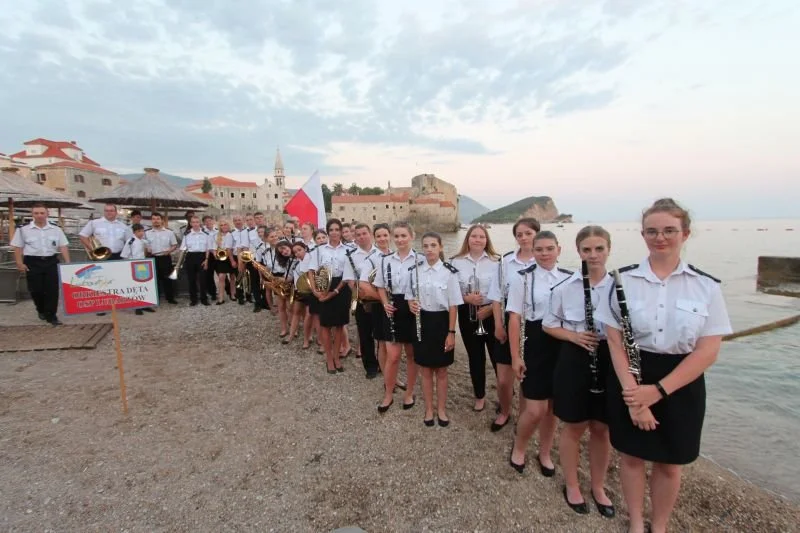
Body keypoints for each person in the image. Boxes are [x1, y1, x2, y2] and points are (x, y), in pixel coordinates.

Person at [595, 199, 731, 533]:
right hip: (631, 376)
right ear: (643, 235)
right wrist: (633, 395)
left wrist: (656, 392)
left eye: (670, 230)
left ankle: (660, 525)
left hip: (681, 382)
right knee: (631, 457)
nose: (661, 237)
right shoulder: (621, 281)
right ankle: (637, 522)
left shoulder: (706, 286)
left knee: (670, 464)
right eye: (653, 231)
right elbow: (614, 342)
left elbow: (708, 350)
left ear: (685, 233)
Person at [543, 226, 615, 516]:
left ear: (609, 249)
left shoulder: (620, 286)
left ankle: (598, 487)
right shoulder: (564, 287)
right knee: (573, 426)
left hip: (610, 360)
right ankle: (572, 484)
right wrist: (574, 337)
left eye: (599, 249)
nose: (593, 255)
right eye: (587, 250)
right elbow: (549, 325)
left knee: (602, 428)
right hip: (575, 358)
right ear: (578, 251)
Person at [508, 230, 572, 475]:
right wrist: (515, 356)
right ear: (532, 251)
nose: (544, 254)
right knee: (535, 409)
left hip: (563, 343)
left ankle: (545, 451)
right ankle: (520, 447)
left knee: (553, 407)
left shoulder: (571, 278)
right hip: (535, 343)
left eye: (549, 248)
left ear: (559, 249)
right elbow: (514, 317)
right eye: (539, 249)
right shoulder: (521, 278)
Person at [486, 218, 540, 433]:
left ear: (537, 233)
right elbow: (496, 296)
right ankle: (505, 411)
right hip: (509, 320)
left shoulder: (545, 259)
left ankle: (524, 417)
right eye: (520, 234)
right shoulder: (505, 262)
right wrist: (498, 324)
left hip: (535, 324)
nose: (524, 237)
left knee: (527, 379)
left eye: (528, 233)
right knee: (503, 380)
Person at [407, 232, 463, 427]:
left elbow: (454, 305)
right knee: (425, 369)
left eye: (433, 245)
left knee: (441, 371)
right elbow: (409, 296)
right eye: (426, 245)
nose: (429, 249)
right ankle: (429, 409)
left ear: (440, 247)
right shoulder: (415, 270)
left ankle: (441, 409)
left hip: (441, 323)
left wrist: (451, 333)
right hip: (421, 322)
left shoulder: (450, 272)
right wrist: (410, 305)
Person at [451, 224, 500, 417]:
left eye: (481, 236)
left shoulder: (498, 262)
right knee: (475, 357)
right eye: (474, 236)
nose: (478, 240)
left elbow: (504, 291)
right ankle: (479, 395)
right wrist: (467, 298)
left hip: (491, 312)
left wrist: (489, 308)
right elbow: (452, 290)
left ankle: (505, 394)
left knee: (497, 356)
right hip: (467, 313)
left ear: (486, 240)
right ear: (468, 239)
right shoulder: (456, 261)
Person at [373, 221, 419, 413]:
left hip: (413, 308)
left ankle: (409, 393)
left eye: (403, 236)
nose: (400, 240)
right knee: (392, 356)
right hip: (392, 307)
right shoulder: (385, 260)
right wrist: (384, 303)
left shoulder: (421, 259)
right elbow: (380, 285)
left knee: (411, 355)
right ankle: (388, 394)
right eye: (397, 236)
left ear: (412, 237)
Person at [11, 203, 70, 326]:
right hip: (33, 262)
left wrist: (67, 262)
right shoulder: (23, 229)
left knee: (52, 290)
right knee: (36, 290)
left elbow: (63, 246)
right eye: (36, 213)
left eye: (42, 213)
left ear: (47, 214)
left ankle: (52, 315)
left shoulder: (56, 229)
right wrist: (19, 263)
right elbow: (17, 247)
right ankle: (41, 309)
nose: (39, 216)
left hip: (51, 261)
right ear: (32, 214)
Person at [308, 219, 352, 374]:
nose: (334, 232)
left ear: (341, 231)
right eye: (331, 230)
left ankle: (337, 356)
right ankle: (329, 359)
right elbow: (311, 271)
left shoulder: (348, 250)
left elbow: (348, 275)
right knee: (325, 325)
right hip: (323, 286)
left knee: (340, 325)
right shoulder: (319, 250)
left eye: (337, 229)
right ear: (328, 232)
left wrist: (335, 292)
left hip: (341, 287)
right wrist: (315, 291)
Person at [343, 223, 379, 378]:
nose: (361, 237)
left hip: (380, 299)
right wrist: (362, 294)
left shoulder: (382, 252)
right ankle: (370, 366)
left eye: (364, 233)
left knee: (383, 336)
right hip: (363, 300)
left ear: (370, 233)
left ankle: (383, 363)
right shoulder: (351, 256)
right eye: (358, 235)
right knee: (365, 335)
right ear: (355, 237)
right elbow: (350, 281)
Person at [121, 223, 156, 315]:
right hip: (134, 265)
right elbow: (125, 254)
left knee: (144, 285)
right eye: (138, 231)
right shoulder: (131, 241)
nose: (141, 233)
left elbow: (149, 250)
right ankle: (137, 306)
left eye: (142, 231)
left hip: (143, 265)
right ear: (134, 232)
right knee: (136, 287)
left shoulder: (144, 241)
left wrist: (149, 249)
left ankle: (145, 304)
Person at [146, 212, 178, 305]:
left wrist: (169, 251)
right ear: (151, 221)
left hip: (165, 258)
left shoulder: (169, 232)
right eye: (154, 219)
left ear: (162, 220)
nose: (156, 221)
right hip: (152, 258)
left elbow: (174, 245)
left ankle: (170, 298)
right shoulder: (146, 233)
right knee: (154, 279)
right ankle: (156, 298)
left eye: (158, 219)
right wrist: (146, 249)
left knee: (168, 279)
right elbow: (144, 245)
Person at [180, 215, 211, 306]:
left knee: (203, 280)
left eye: (197, 222)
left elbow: (207, 248)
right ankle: (193, 299)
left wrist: (206, 260)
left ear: (200, 223)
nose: (195, 224)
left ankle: (204, 299)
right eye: (193, 222)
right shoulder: (187, 234)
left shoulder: (205, 234)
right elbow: (183, 249)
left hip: (202, 257)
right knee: (191, 280)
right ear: (190, 224)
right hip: (190, 257)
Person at [288, 241, 313, 348]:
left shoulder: (311, 259)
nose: (297, 253)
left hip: (310, 291)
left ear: (305, 249)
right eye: (295, 252)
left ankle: (307, 339)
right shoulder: (296, 262)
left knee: (308, 316)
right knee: (296, 312)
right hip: (299, 290)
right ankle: (291, 335)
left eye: (299, 250)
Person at [271, 239, 294, 339]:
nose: (284, 251)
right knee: (281, 307)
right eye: (281, 252)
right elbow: (288, 275)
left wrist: (283, 279)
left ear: (288, 245)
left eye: (284, 248)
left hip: (293, 284)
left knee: (291, 308)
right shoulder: (287, 260)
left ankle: (294, 328)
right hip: (283, 282)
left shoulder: (298, 256)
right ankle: (284, 328)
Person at [227, 215, 250, 305]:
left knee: (248, 276)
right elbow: (229, 249)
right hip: (237, 257)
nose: (238, 222)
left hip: (247, 256)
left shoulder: (247, 231)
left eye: (239, 220)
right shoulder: (231, 233)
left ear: (243, 220)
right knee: (239, 277)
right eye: (236, 220)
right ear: (233, 222)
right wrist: (232, 261)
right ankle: (240, 296)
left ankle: (248, 295)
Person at [213, 219, 236, 304]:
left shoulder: (231, 235)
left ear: (228, 225)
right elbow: (214, 247)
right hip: (221, 258)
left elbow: (229, 249)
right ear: (220, 227)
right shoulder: (216, 235)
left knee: (232, 277)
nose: (223, 226)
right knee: (221, 277)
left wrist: (232, 261)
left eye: (225, 224)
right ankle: (221, 297)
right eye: (221, 225)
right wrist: (215, 254)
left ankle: (233, 294)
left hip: (230, 257)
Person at [203, 215, 219, 302]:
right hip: (208, 255)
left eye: (210, 220)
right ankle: (213, 293)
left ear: (213, 221)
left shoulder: (218, 231)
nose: (208, 222)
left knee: (221, 274)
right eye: (206, 221)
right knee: (209, 275)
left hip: (218, 254)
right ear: (204, 223)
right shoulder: (202, 232)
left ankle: (228, 291)